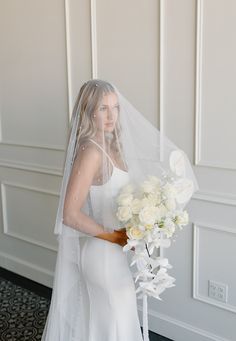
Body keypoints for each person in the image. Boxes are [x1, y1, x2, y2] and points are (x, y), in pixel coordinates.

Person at [41, 79, 199, 341]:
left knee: (109, 323)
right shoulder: (91, 151)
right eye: (103, 108)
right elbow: (70, 214)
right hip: (102, 256)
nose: (111, 115)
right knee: (117, 322)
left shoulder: (112, 147)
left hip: (115, 254)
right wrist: (117, 237)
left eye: (115, 107)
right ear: (90, 111)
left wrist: (146, 223)